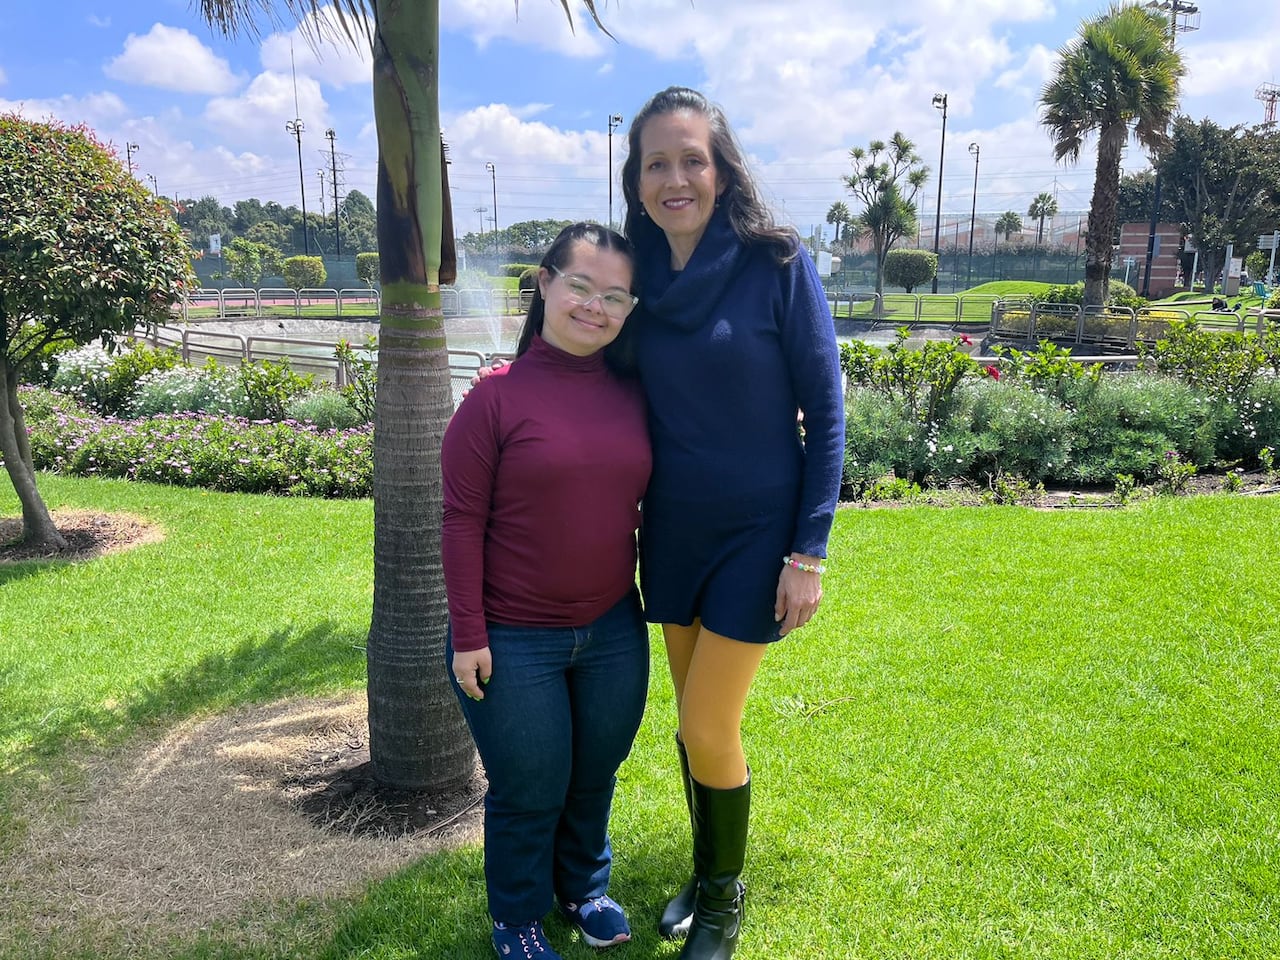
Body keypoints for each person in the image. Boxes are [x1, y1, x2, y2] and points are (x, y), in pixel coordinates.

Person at [621, 87, 844, 960]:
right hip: (671, 530)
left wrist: (810, 552)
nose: (675, 178)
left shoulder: (777, 264)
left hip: (760, 533)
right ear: (636, 179)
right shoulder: (637, 273)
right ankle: (707, 869)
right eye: (656, 163)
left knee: (709, 725)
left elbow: (826, 415)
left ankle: (722, 904)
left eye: (692, 159)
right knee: (689, 722)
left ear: (722, 169)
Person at [442, 222, 651, 960]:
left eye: (616, 296)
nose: (596, 306)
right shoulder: (494, 400)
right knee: (530, 790)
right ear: (545, 282)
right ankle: (518, 919)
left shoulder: (635, 392)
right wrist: (469, 634)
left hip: (612, 628)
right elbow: (461, 519)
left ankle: (584, 889)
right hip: (510, 636)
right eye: (581, 286)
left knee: (594, 776)